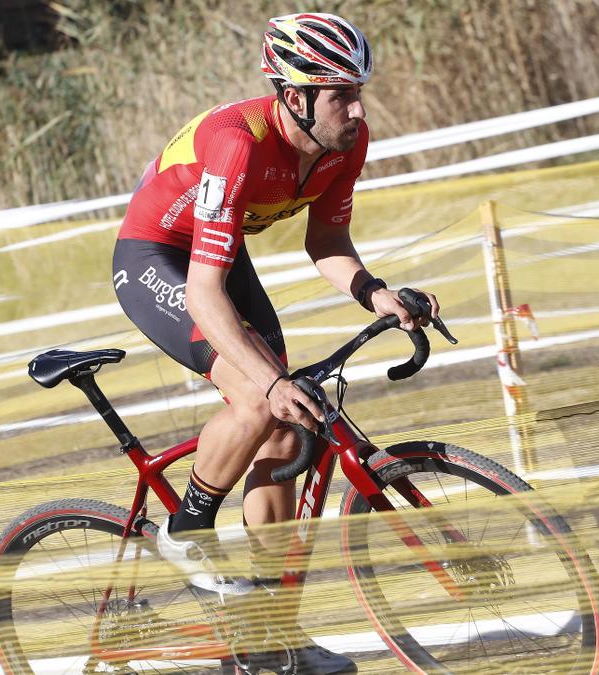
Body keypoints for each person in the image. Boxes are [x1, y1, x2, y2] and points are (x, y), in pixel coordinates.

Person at [112, 12, 439, 671]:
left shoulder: (347, 140)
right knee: (262, 397)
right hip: (159, 259)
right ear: (294, 97)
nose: (357, 107)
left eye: (359, 90)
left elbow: (327, 242)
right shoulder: (238, 144)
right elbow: (204, 292)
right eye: (341, 93)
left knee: (290, 429)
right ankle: (189, 526)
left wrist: (377, 293)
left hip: (218, 256)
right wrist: (266, 379)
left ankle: (270, 639)